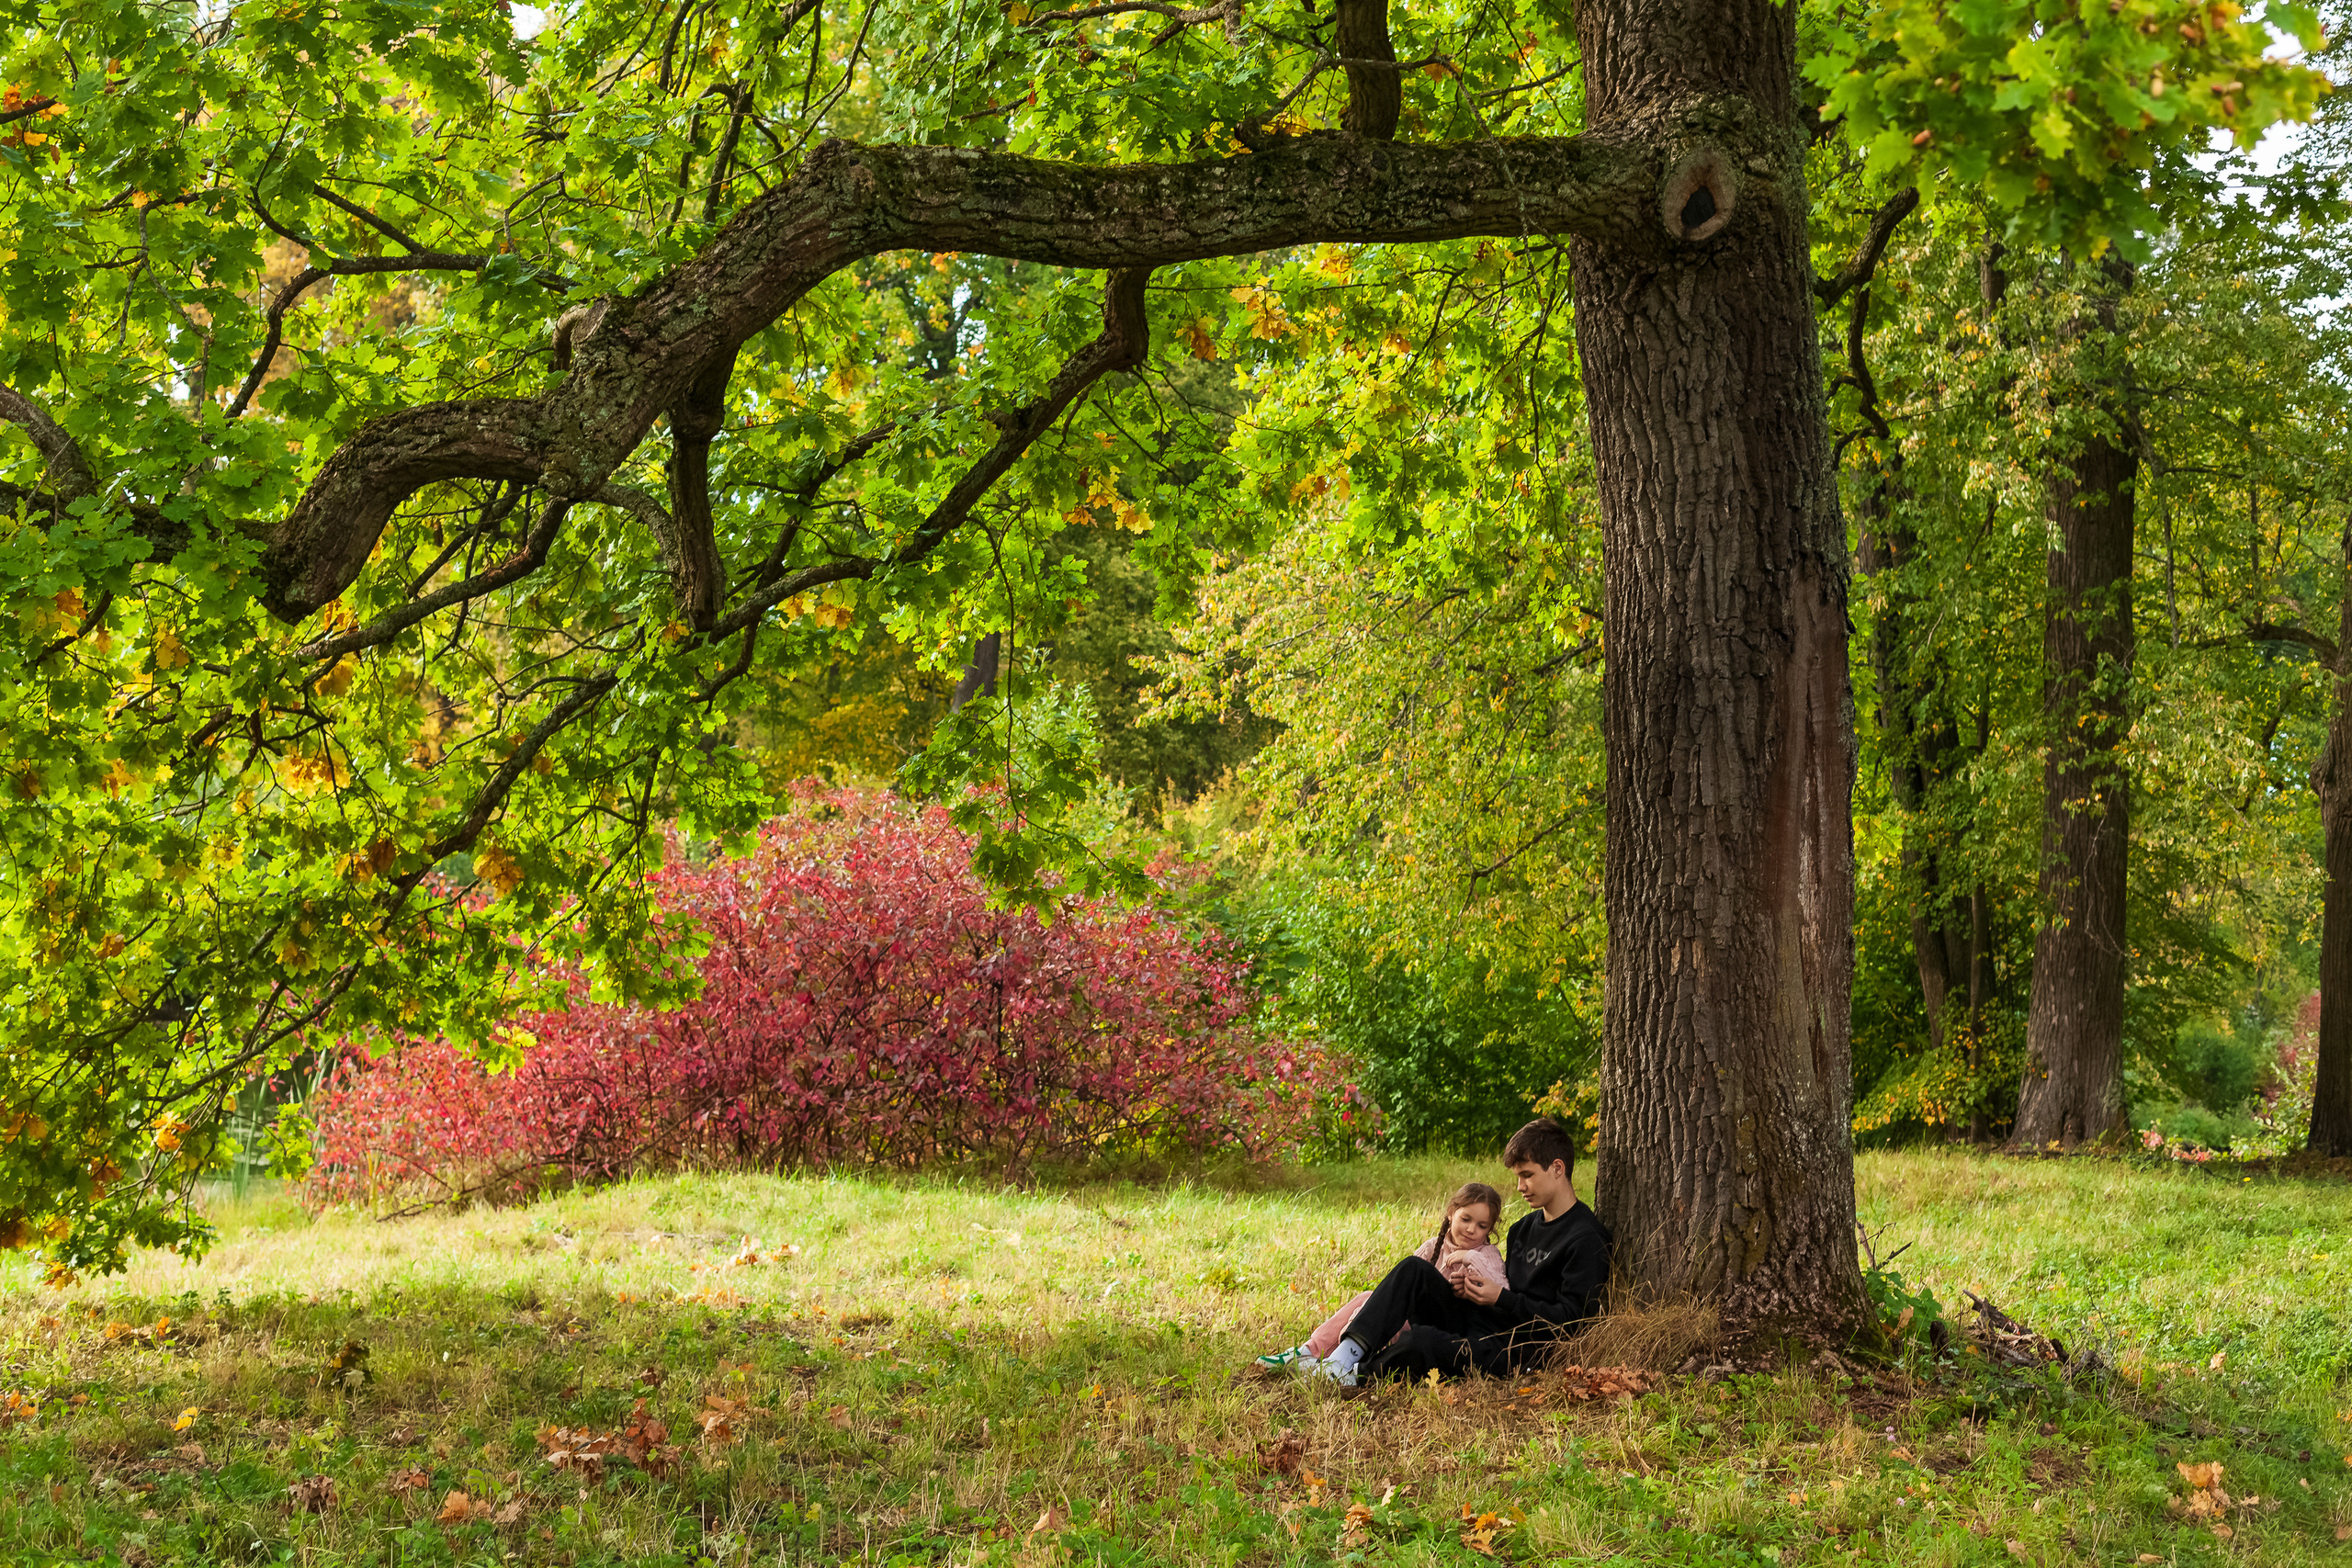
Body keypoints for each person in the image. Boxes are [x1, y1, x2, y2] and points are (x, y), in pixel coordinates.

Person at [1309, 1117, 1611, 1386]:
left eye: (1527, 1175)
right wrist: (1469, 1290)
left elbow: (1573, 1322)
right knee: (1413, 1269)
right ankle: (1343, 1358)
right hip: (1487, 1320)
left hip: (1520, 1350)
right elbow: (1505, 1283)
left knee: (1423, 1341)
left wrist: (1501, 1298)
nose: (1520, 1186)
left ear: (1558, 1168)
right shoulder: (1523, 1228)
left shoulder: (1585, 1238)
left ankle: (1358, 1373)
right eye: (1518, 1176)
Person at [1253, 1181, 1507, 1371]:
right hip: (1424, 1318)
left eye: (1482, 1226)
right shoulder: (1433, 1247)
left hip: (1457, 1326)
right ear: (1451, 1213)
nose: (1472, 1229)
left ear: (1490, 1229)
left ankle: (1343, 1360)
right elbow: (1400, 1291)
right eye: (1466, 1219)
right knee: (1368, 1296)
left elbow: (1501, 1292)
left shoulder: (1487, 1254)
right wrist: (1368, 1313)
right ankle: (1310, 1352)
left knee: (1406, 1281)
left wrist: (1471, 1261)